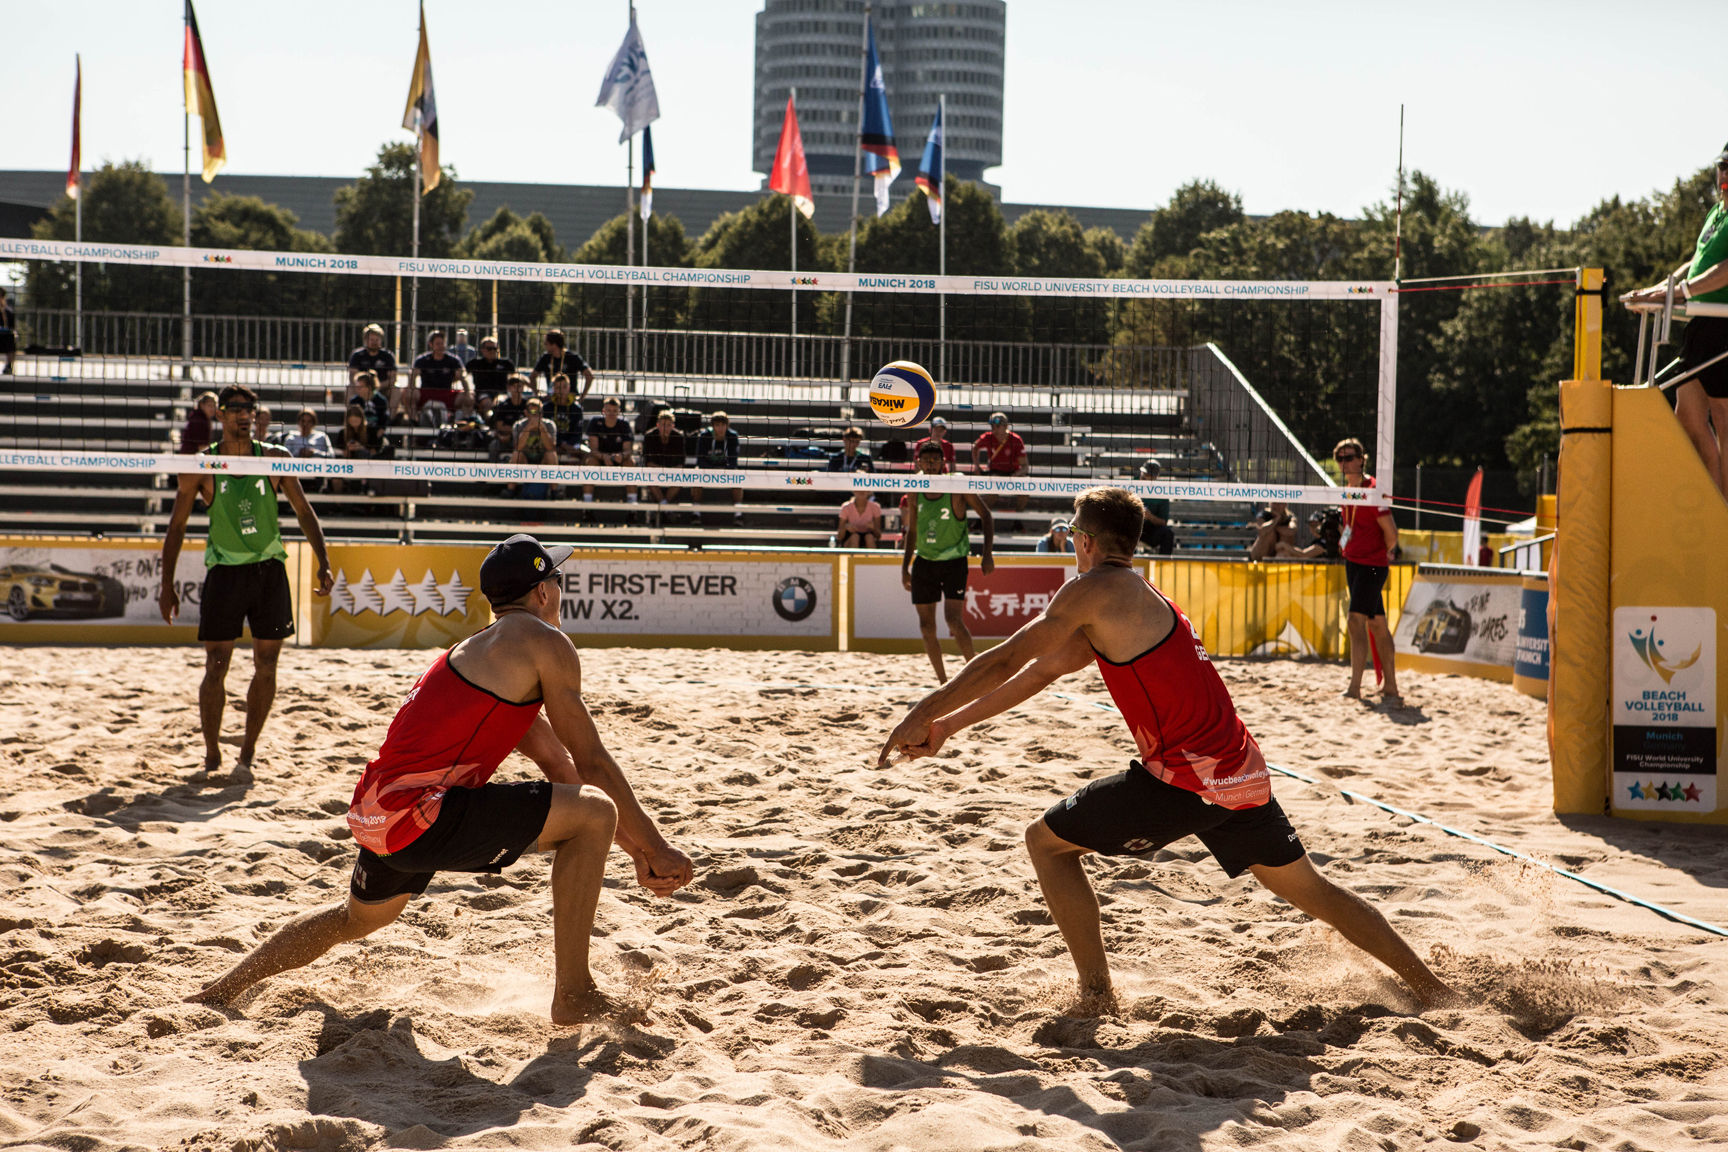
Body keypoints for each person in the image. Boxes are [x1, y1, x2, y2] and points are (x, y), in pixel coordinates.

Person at [876, 486, 1460, 1011]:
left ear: (1084, 541)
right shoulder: (1134, 594)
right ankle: (1434, 990)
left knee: (1046, 845)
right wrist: (948, 727)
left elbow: (1008, 658)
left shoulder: (1093, 591)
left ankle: (1097, 996)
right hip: (1239, 771)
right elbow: (1036, 675)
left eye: (1071, 533)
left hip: (1184, 780)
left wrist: (922, 711)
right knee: (1315, 891)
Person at [183, 534, 695, 1024]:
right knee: (595, 810)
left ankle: (221, 989)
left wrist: (638, 853)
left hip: (377, 815)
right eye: (558, 580)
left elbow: (560, 767)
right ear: (543, 591)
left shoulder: (481, 653)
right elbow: (592, 764)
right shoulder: (545, 641)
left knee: (354, 920)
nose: (560, 590)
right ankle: (575, 994)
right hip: (420, 817)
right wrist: (657, 847)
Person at [158, 385, 335, 779]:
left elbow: (304, 513)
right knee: (216, 665)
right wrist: (166, 583)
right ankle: (212, 756)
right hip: (224, 573)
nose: (244, 414)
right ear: (220, 415)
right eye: (235, 408)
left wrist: (324, 560)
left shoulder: (274, 458)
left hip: (269, 571)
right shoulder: (201, 466)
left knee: (267, 665)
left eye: (250, 409)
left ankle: (248, 754)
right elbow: (177, 527)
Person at [1623, 142, 1728, 497]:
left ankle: (1724, 514)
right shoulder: (1716, 212)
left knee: (1724, 422)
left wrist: (1679, 292)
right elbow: (1696, 262)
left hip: (1722, 324)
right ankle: (1712, 505)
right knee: (1687, 416)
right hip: (1700, 324)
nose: (1725, 174)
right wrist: (1658, 290)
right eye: (1723, 166)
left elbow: (1724, 270)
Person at [903, 441, 995, 684]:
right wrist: (905, 566)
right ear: (919, 463)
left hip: (954, 561)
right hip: (924, 561)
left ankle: (975, 675)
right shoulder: (914, 487)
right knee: (926, 627)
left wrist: (987, 554)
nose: (931, 465)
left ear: (943, 462)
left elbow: (986, 515)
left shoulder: (956, 484)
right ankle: (943, 682)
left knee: (953, 620)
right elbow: (912, 531)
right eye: (927, 461)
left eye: (935, 460)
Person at [1334, 438, 1402, 707]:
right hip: (1353, 561)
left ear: (1362, 460)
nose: (1344, 463)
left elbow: (1392, 534)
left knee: (1354, 620)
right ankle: (1392, 687)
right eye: (1340, 458)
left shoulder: (1373, 489)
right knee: (1377, 624)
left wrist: (1378, 554)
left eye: (1349, 457)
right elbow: (1353, 528)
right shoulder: (1345, 491)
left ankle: (1354, 688)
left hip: (1372, 564)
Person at [583, 397, 638, 518]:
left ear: (619, 411)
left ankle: (632, 509)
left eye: (614, 410)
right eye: (609, 410)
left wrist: (621, 456)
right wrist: (604, 457)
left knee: (631, 463)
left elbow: (628, 450)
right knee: (590, 462)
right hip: (600, 459)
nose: (611, 413)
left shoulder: (624, 424)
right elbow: (593, 450)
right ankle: (587, 508)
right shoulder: (595, 422)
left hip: (618, 460)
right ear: (603, 411)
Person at [972, 412, 1029, 518]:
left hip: (1013, 473)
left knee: (1025, 491)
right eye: (992, 426)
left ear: (1006, 426)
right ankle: (981, 519)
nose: (994, 429)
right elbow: (975, 447)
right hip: (995, 472)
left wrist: (1015, 476)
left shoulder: (1015, 440)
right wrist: (976, 465)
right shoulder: (988, 437)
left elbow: (1025, 467)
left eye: (997, 426)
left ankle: (1018, 520)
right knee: (992, 489)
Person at [692, 411, 744, 524]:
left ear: (727, 426)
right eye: (717, 425)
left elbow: (733, 461)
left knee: (737, 475)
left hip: (726, 469)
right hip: (708, 468)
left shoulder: (732, 436)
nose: (720, 428)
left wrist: (724, 470)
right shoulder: (704, 436)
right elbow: (700, 460)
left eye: (723, 425)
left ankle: (738, 515)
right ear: (712, 426)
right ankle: (696, 514)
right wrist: (712, 470)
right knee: (696, 473)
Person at [404, 331, 466, 425]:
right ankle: (414, 421)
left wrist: (463, 381)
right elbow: (412, 375)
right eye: (437, 344)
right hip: (426, 393)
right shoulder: (422, 359)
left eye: (443, 343)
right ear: (430, 345)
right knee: (407, 391)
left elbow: (462, 376)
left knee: (469, 396)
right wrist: (411, 384)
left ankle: (463, 424)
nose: (441, 346)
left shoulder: (453, 360)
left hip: (446, 393)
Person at [503, 398, 558, 499]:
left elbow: (551, 447)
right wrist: (528, 428)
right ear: (526, 413)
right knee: (516, 454)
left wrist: (542, 429)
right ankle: (510, 489)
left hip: (543, 460)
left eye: (539, 412)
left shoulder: (549, 425)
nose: (536, 415)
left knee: (551, 454)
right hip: (525, 459)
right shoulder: (519, 425)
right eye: (532, 412)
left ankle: (554, 491)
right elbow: (518, 447)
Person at [642, 410, 687, 514]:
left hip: (672, 473)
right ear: (657, 425)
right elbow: (648, 463)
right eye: (663, 425)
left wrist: (669, 471)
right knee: (649, 477)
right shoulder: (649, 436)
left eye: (668, 425)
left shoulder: (679, 437)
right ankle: (666, 509)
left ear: (673, 426)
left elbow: (680, 464)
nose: (665, 428)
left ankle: (662, 507)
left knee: (681, 479)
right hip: (655, 472)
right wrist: (662, 470)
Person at [532, 330, 595, 402]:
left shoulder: (572, 357)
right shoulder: (546, 358)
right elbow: (532, 376)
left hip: (570, 399)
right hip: (552, 399)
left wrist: (582, 396)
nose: (545, 346)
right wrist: (537, 394)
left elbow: (589, 375)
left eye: (546, 343)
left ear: (554, 345)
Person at [544, 374, 586, 464]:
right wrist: (559, 444)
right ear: (554, 389)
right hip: (552, 444)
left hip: (572, 445)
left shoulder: (576, 408)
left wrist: (567, 445)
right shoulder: (546, 408)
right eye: (558, 387)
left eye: (564, 387)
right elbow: (546, 431)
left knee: (588, 456)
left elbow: (578, 433)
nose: (561, 390)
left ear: (569, 388)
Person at [1137, 459, 1176, 556]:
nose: (1146, 478)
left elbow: (1163, 521)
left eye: (1149, 476)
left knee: (1168, 534)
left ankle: (1163, 566)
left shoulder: (1160, 492)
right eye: (1144, 475)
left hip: (1149, 529)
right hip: (1131, 526)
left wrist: (1150, 516)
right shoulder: (1131, 485)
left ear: (1155, 477)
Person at [347, 324, 397, 399]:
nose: (374, 342)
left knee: (396, 389)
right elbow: (352, 376)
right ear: (365, 340)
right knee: (350, 388)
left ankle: (390, 411)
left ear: (381, 341)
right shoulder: (357, 355)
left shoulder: (388, 356)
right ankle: (353, 410)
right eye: (371, 340)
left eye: (377, 340)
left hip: (382, 388)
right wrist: (365, 387)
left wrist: (377, 386)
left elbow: (393, 379)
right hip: (361, 388)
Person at [466, 336, 515, 402]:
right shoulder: (475, 363)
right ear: (482, 350)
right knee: (486, 402)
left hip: (501, 394)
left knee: (500, 401)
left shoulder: (505, 363)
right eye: (489, 349)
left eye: (495, 348)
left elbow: (516, 377)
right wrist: (468, 391)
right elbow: (462, 376)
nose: (492, 351)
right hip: (482, 394)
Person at [0, 285, 15, 375]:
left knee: (10, 338)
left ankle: (9, 365)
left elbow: (11, 327)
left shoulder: (7, 312)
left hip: (3, 339)